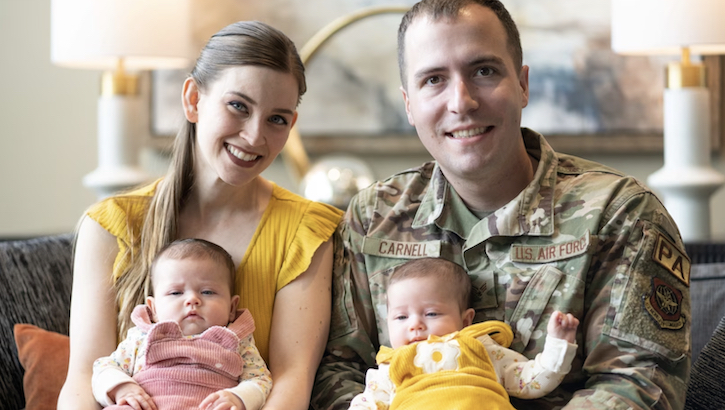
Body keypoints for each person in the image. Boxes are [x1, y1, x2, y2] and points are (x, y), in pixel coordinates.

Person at [312, 1, 691, 409]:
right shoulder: (373, 217)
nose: (461, 102)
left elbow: (638, 387)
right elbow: (337, 371)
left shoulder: (622, 215)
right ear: (409, 104)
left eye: (484, 71)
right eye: (434, 79)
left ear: (523, 84)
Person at [58, 20, 343, 410]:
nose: (255, 136)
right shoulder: (110, 226)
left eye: (276, 118)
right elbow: (83, 379)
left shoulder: (306, 233)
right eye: (238, 106)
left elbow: (292, 383)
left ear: (291, 124)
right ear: (193, 99)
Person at [348, 258, 579, 410]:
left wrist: (559, 344)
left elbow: (531, 381)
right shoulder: (391, 367)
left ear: (466, 319)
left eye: (431, 313)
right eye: (401, 317)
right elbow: (367, 405)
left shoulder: (480, 347)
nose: (415, 325)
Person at [92, 238, 271, 410]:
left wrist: (239, 398)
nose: (192, 299)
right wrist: (123, 388)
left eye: (208, 292)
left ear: (232, 308)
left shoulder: (236, 340)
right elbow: (105, 367)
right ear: (153, 309)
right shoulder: (142, 336)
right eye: (176, 293)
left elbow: (259, 379)